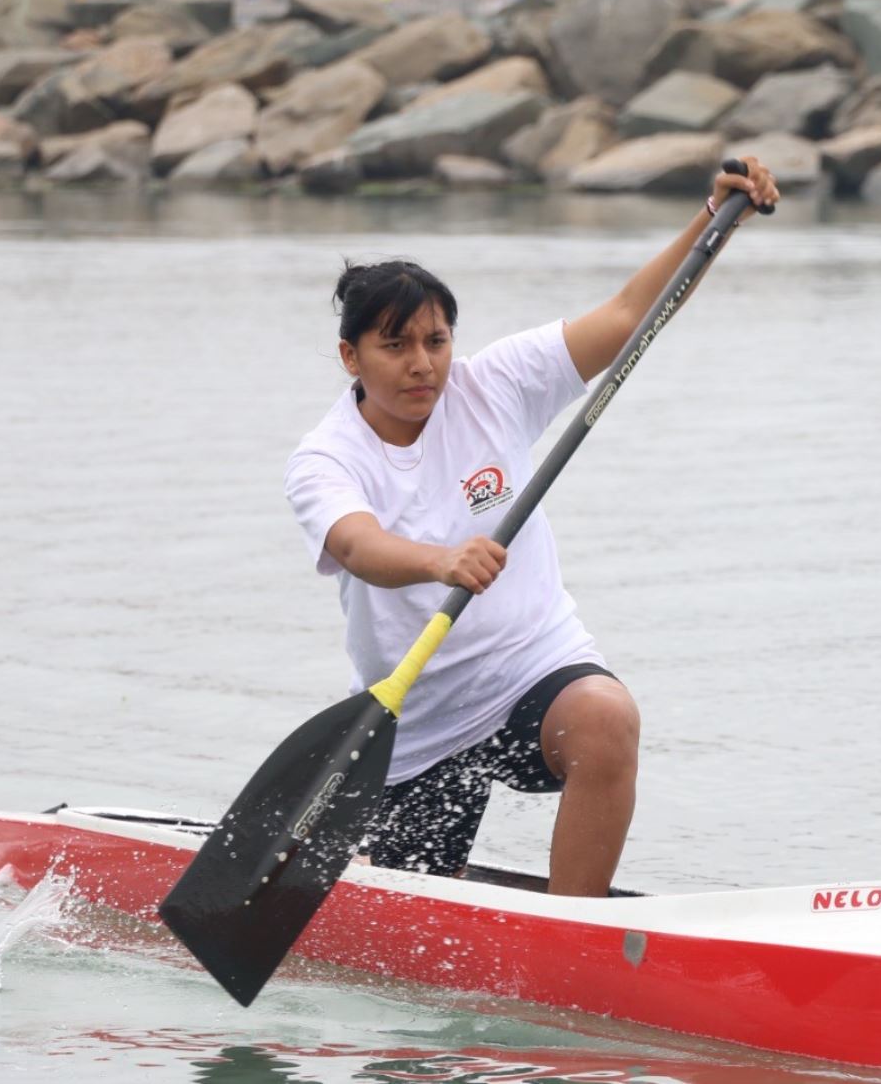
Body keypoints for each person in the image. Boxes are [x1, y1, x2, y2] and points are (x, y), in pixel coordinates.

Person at [284, 158, 780, 898]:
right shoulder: (326, 458)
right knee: (417, 927)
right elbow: (359, 546)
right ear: (351, 356)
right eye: (396, 347)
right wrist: (440, 561)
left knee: (607, 720)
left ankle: (572, 929)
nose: (423, 365)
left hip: (530, 670)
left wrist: (716, 217)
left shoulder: (495, 383)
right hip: (416, 713)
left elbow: (627, 315)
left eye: (436, 340)